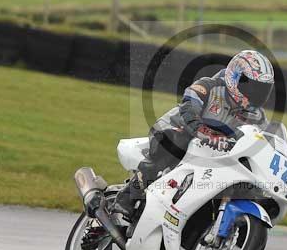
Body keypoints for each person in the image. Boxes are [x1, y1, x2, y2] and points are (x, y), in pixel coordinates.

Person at [108, 50, 275, 219]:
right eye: (251, 87)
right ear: (235, 77)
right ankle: (127, 197)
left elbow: (264, 143)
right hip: (174, 130)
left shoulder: (257, 117)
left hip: (210, 153)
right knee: (176, 143)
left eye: (262, 90)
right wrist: (203, 131)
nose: (256, 95)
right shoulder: (210, 86)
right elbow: (188, 106)